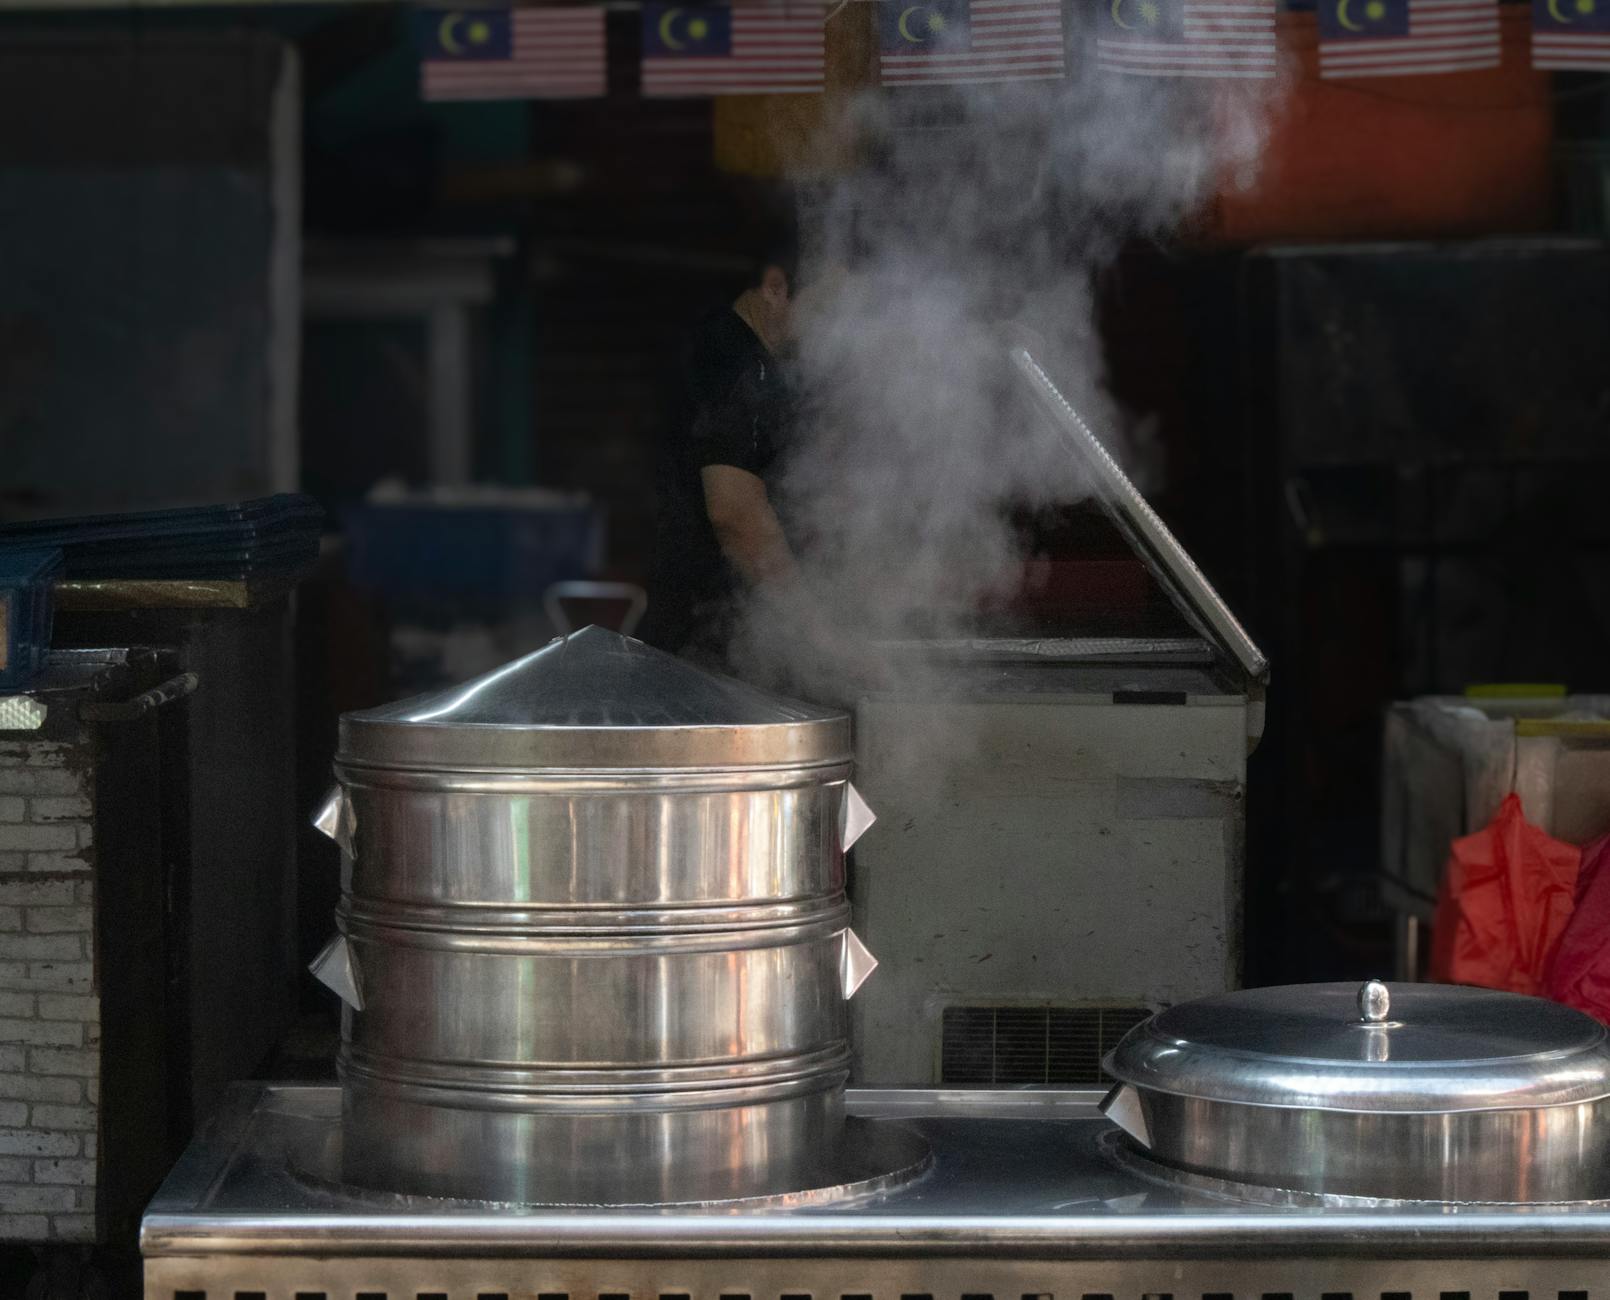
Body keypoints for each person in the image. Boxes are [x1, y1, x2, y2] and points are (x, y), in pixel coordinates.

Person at [638, 244, 802, 666]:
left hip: (704, 640)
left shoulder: (728, 350)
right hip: (706, 650)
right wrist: (812, 630)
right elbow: (734, 512)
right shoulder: (736, 357)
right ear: (774, 288)